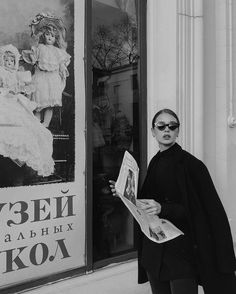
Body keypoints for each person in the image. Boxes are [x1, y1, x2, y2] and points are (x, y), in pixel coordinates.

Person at [110, 108, 236, 294]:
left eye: (172, 126)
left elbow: (203, 212)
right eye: (161, 126)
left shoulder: (193, 165)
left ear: (178, 131)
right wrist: (123, 193)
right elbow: (146, 203)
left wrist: (164, 208)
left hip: (181, 252)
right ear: (153, 132)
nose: (167, 130)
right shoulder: (155, 162)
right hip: (154, 251)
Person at [0, 44, 54, 184]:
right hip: (4, 98)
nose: (9, 63)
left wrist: (20, 89)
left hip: (15, 99)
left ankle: (20, 165)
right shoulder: (1, 72)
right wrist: (6, 91)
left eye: (11, 61)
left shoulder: (17, 74)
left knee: (30, 124)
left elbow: (23, 87)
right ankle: (12, 162)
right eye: (6, 61)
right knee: (7, 117)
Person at [22, 12, 71, 128]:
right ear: (44, 36)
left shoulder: (58, 51)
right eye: (48, 34)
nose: (50, 37)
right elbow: (33, 59)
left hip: (52, 78)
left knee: (50, 103)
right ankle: (37, 120)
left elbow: (61, 63)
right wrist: (33, 59)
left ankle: (46, 123)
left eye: (52, 36)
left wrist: (62, 70)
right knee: (39, 100)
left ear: (56, 38)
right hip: (41, 77)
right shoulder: (40, 47)